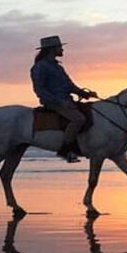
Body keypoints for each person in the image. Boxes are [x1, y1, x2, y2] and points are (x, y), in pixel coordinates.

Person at [30, 35, 98, 163]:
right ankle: (65, 150)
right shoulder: (40, 67)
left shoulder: (57, 67)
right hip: (53, 103)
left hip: (66, 100)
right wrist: (59, 101)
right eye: (60, 47)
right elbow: (40, 90)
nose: (62, 50)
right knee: (78, 119)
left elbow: (69, 86)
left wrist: (84, 94)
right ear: (52, 49)